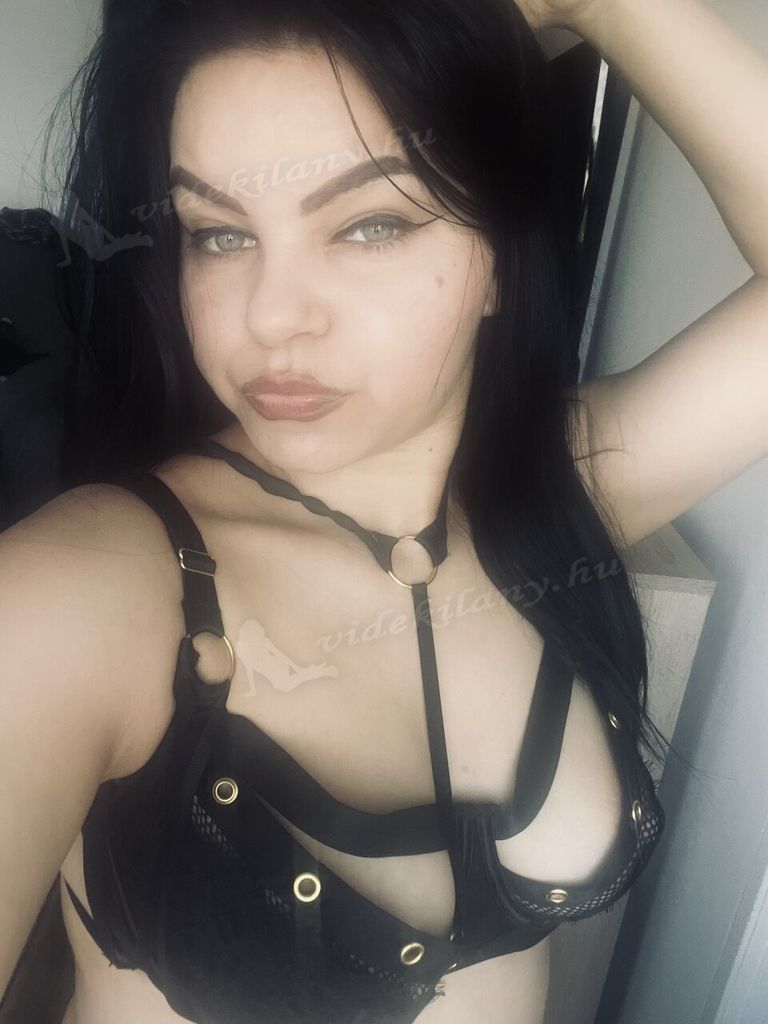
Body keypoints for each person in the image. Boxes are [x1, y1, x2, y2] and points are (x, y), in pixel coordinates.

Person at [2, 0, 767, 1021]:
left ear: (501, 258)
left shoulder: (559, 492)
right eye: (218, 234)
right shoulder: (88, 592)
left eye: (371, 224)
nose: (271, 316)